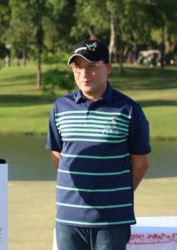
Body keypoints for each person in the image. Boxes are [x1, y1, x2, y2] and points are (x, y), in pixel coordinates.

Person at [46, 39, 151, 250]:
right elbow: (58, 156)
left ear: (108, 68)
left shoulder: (129, 109)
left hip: (111, 221)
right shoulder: (60, 107)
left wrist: (115, 195)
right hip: (68, 219)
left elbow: (140, 164)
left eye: (92, 66)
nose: (84, 73)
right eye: (78, 67)